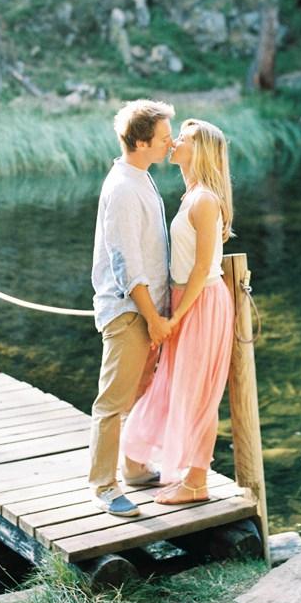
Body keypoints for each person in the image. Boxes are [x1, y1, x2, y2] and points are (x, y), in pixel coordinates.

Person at [122, 118, 235, 505]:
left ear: (198, 151)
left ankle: (197, 482)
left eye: (182, 140)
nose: (174, 144)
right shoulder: (192, 195)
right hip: (188, 299)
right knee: (175, 385)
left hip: (201, 302)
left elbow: (203, 269)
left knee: (198, 390)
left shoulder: (204, 199)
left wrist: (174, 317)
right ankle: (185, 473)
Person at [89, 99, 175, 517]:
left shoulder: (140, 176)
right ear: (140, 141)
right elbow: (126, 264)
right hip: (128, 312)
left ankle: (135, 467)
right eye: (162, 138)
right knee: (114, 400)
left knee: (141, 393)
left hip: (148, 310)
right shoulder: (123, 187)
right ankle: (104, 484)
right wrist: (154, 318)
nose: (170, 143)